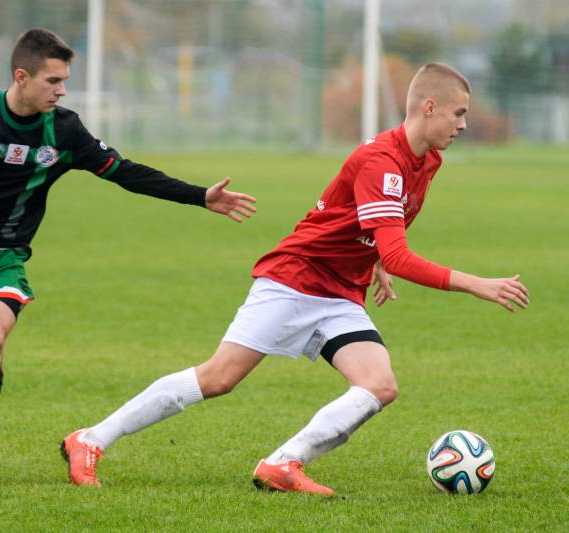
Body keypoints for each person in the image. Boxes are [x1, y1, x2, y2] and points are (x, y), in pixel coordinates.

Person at [61, 63, 530, 495]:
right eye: (458, 113)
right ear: (429, 107)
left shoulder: (427, 161)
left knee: (379, 385)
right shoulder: (381, 160)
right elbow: (399, 251)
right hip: (294, 279)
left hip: (340, 293)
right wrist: (477, 284)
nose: (463, 125)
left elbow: (372, 221)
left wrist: (375, 263)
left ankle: (284, 463)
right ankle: (91, 438)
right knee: (219, 377)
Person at [0, 28, 256, 482]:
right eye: (53, 81)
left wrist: (199, 196)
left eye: (64, 81)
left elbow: (124, 171)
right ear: (22, 77)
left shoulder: (65, 130)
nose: (62, 90)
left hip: (4, 255)